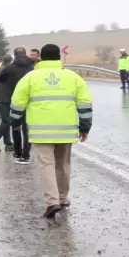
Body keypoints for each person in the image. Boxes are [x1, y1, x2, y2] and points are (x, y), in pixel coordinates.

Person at [10, 44, 93, 219]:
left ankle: (52, 202)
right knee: (63, 165)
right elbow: (85, 102)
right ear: (59, 58)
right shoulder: (73, 77)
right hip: (66, 131)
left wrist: (15, 121)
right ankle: (63, 198)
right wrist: (85, 127)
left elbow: (18, 102)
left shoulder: (30, 77)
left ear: (41, 58)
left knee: (46, 165)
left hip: (41, 132)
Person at [0, 48, 34, 162]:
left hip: (15, 100)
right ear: (25, 54)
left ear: (15, 56)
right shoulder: (32, 67)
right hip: (29, 101)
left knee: (16, 126)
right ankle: (26, 154)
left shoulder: (10, 68)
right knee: (27, 129)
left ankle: (17, 152)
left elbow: (1, 79)